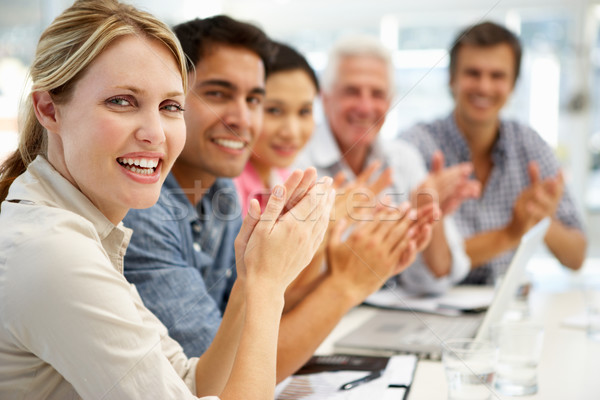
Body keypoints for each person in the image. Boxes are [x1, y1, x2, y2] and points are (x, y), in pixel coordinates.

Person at [0, 1, 334, 399]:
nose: (155, 133)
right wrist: (267, 288)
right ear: (48, 109)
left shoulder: (88, 234)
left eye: (170, 106)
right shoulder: (54, 254)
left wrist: (249, 282)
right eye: (121, 101)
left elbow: (189, 382)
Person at [123, 17, 424, 382]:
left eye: (254, 100)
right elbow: (220, 375)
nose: (242, 118)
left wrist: (340, 261)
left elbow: (254, 319)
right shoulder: (142, 209)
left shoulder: (221, 191)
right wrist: (345, 285)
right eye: (218, 93)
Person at [403, 21, 586, 284]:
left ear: (513, 84)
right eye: (473, 73)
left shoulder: (529, 145)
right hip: (436, 307)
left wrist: (540, 219)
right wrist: (511, 232)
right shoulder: (415, 146)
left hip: (504, 306)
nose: (484, 87)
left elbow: (576, 256)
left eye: (497, 76)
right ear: (452, 79)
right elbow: (419, 263)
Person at [294, 34, 480, 294]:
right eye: (351, 91)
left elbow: (437, 278)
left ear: (391, 101)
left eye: (377, 94)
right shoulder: (297, 164)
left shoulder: (404, 158)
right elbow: (289, 285)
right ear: (325, 99)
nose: (365, 106)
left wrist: (427, 213)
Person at [234, 41, 319, 216]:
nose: (291, 132)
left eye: (304, 111)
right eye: (274, 110)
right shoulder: (227, 188)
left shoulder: (282, 176)